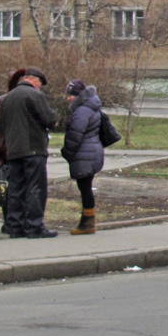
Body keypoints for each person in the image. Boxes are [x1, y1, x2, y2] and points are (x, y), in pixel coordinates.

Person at [1, 66, 59, 239]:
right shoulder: (35, 95)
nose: (40, 86)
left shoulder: (7, 98)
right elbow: (49, 119)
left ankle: (14, 226)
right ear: (35, 80)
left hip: (13, 150)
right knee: (35, 187)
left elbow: (2, 125)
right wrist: (54, 118)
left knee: (15, 188)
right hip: (33, 149)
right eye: (40, 83)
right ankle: (35, 226)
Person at [61, 79, 104, 235]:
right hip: (92, 152)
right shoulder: (91, 107)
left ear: (77, 95)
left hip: (84, 153)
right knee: (85, 187)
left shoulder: (81, 111)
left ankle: (87, 223)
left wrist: (66, 152)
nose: (68, 98)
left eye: (70, 95)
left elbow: (75, 135)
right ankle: (87, 221)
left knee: (85, 188)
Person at [0, 68, 27, 233]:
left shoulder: (28, 99)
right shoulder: (3, 101)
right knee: (9, 187)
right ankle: (10, 221)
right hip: (8, 151)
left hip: (25, 150)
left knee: (23, 187)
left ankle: (20, 220)